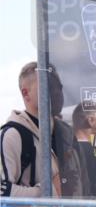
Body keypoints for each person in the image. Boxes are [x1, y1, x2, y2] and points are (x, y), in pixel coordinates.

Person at [2, 62, 65, 197]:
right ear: (26, 93)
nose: (56, 92)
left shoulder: (65, 134)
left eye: (58, 86)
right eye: (47, 85)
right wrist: (48, 191)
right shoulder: (12, 135)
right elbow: (2, 193)